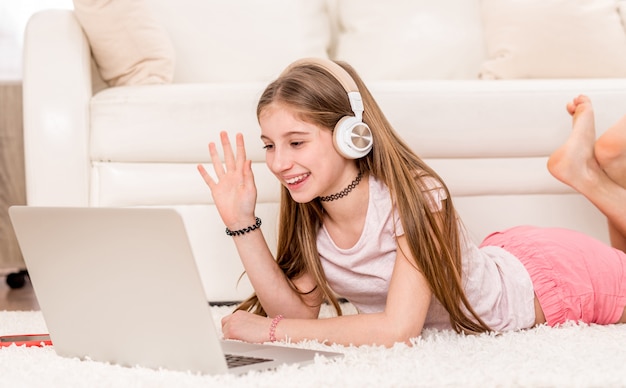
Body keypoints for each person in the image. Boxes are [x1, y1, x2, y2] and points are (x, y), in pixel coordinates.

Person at [197, 58, 626, 347]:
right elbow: (299, 317)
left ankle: (590, 171)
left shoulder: (418, 197)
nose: (278, 162)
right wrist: (242, 224)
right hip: (507, 255)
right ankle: (596, 170)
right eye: (269, 145)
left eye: (295, 142)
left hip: (559, 280)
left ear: (352, 135)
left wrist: (268, 332)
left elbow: (398, 329)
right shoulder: (314, 212)